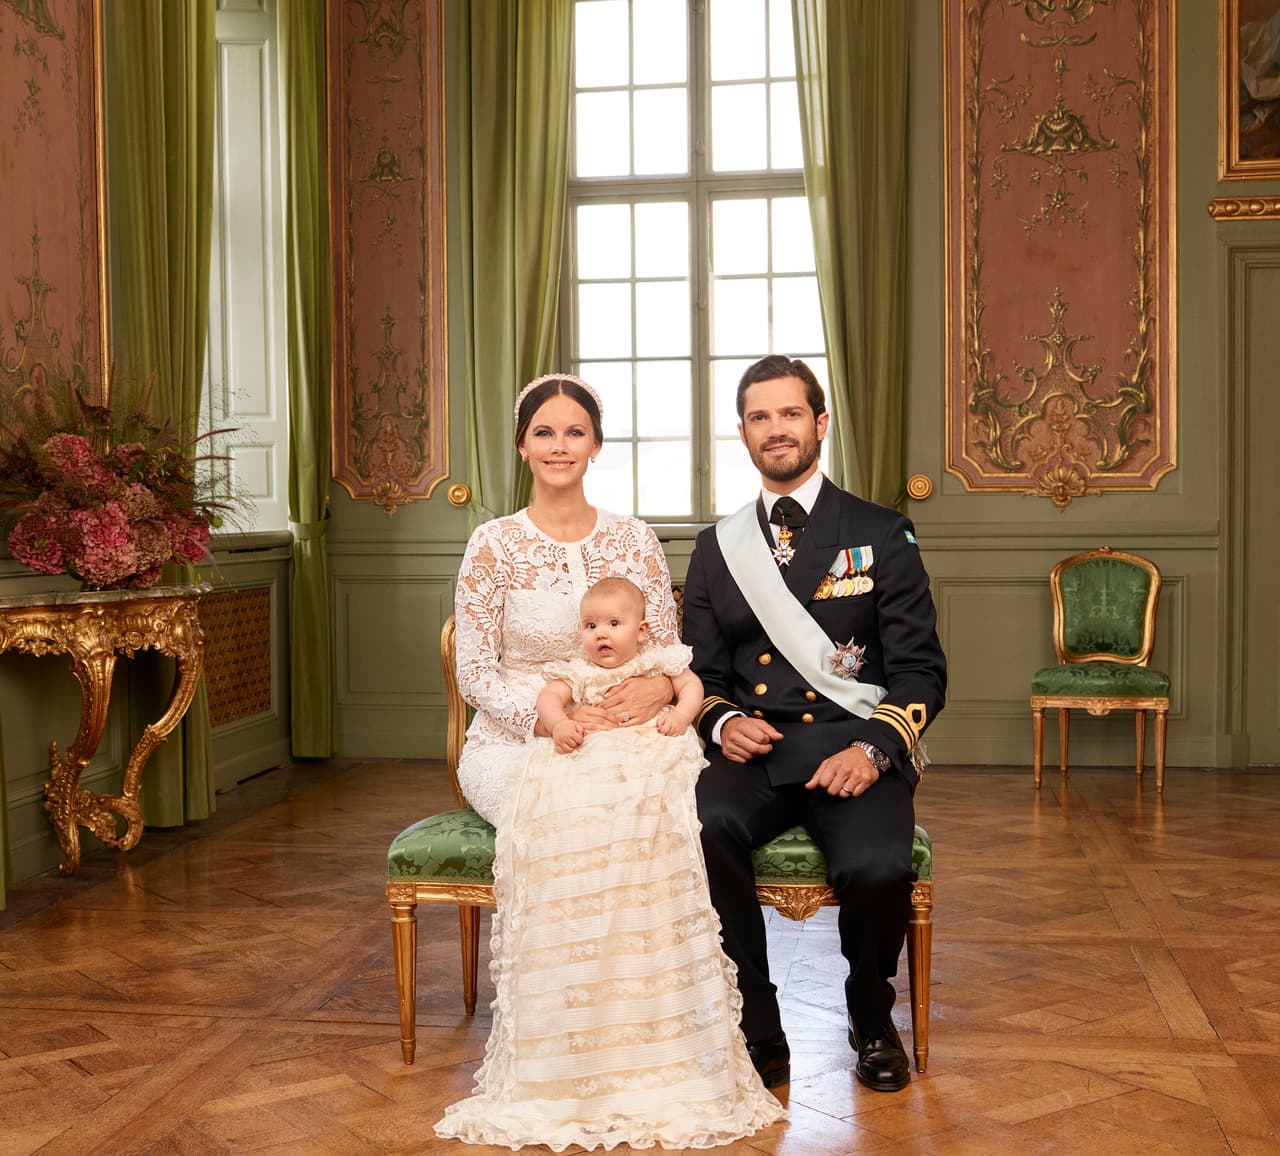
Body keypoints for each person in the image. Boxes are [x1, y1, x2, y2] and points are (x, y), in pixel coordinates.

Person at [436, 374, 785, 1150]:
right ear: (522, 444)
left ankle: (653, 1051)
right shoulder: (491, 543)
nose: (559, 447)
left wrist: (656, 691)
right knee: (568, 812)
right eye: (544, 433)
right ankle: (562, 1058)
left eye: (574, 432)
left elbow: (671, 653)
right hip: (519, 739)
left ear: (595, 444)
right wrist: (554, 715)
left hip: (630, 731)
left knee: (663, 809)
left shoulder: (631, 538)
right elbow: (476, 674)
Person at [681, 355, 947, 1094]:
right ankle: (756, 1019)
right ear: (743, 433)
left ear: (820, 423)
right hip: (756, 752)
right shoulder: (717, 546)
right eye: (760, 417)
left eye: (790, 413)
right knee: (703, 824)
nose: (777, 429)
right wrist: (721, 720)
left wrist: (875, 746)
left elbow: (923, 672)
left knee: (878, 867)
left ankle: (869, 1013)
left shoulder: (880, 532)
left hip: (852, 745)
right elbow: (701, 670)